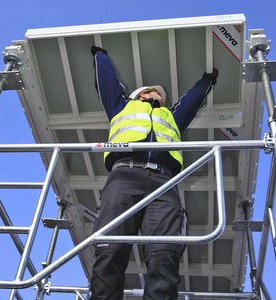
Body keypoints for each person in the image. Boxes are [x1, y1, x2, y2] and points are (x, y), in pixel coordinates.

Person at [89, 45, 218, 300]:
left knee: (165, 254)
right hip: (124, 175)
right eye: (151, 91)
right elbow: (107, 83)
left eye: (161, 95)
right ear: (138, 95)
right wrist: (100, 56)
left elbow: (191, 101)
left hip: (163, 183)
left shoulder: (172, 116)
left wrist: (206, 81)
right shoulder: (121, 107)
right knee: (109, 249)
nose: (157, 95)